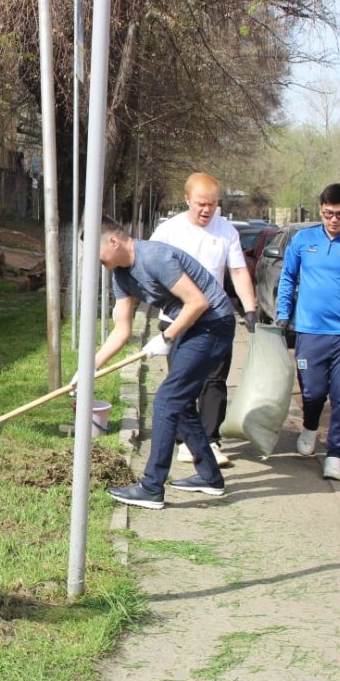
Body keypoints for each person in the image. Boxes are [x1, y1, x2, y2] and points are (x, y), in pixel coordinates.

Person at [88, 216, 236, 509]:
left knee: (167, 401)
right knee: (178, 402)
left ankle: (151, 487)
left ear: (113, 241)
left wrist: (166, 337)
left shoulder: (155, 256)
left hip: (214, 324)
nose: (97, 262)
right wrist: (91, 367)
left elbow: (198, 302)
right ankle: (210, 477)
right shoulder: (121, 275)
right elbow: (122, 328)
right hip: (191, 326)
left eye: (97, 253)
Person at [150, 173, 258, 468]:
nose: (206, 210)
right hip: (179, 318)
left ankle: (210, 439)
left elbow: (237, 271)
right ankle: (185, 441)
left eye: (212, 204)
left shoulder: (226, 232)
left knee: (214, 380)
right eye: (200, 204)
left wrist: (249, 309)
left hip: (216, 318)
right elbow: (151, 270)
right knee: (184, 381)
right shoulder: (168, 231)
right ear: (187, 199)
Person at [275, 184, 340, 481]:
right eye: (328, 214)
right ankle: (310, 427)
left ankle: (335, 453)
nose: (333, 220)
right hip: (310, 331)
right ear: (320, 209)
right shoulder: (303, 240)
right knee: (312, 391)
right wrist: (283, 313)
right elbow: (288, 277)